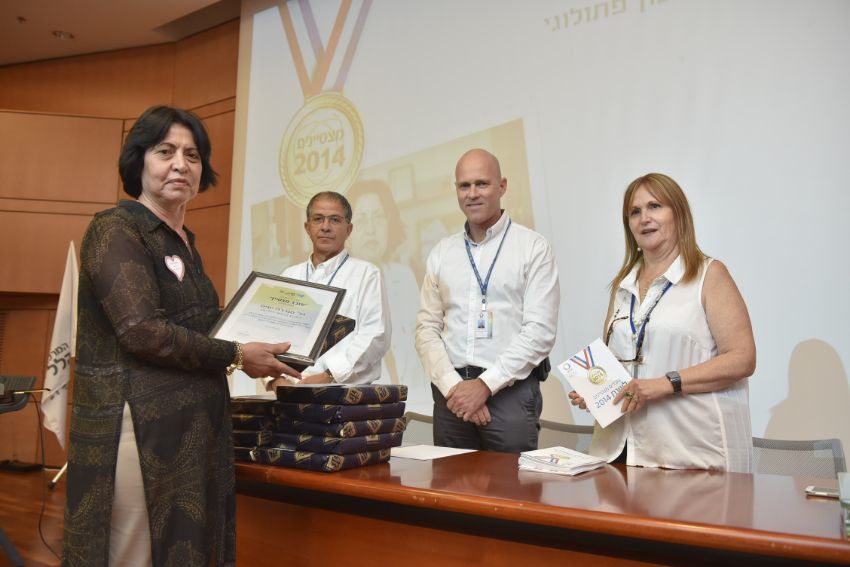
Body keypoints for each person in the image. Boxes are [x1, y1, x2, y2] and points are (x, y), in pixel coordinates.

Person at [64, 105, 299, 566]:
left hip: (189, 431)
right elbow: (142, 332)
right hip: (137, 427)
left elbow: (201, 324)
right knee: (136, 553)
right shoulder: (116, 229)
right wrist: (237, 353)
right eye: (165, 151)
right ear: (139, 161)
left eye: (192, 155)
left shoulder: (184, 241)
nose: (180, 164)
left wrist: (284, 336)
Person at [569, 173, 756, 472]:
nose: (644, 218)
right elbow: (612, 362)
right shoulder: (622, 285)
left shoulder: (710, 275)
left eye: (655, 206)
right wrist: (595, 392)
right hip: (618, 451)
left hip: (689, 455)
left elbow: (742, 359)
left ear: (678, 214)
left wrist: (665, 384)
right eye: (635, 211)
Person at [415, 149, 560, 452]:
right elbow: (426, 329)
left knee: (510, 481)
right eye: (464, 186)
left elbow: (540, 332)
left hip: (510, 393)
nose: (472, 194)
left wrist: (484, 386)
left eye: (481, 183)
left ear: (502, 186)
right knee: (450, 481)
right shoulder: (442, 252)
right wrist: (454, 386)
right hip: (451, 396)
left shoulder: (532, 247)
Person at [265, 191, 391, 388]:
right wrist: (275, 380)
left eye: (335, 220)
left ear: (349, 229)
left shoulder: (366, 274)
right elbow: (270, 333)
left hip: (341, 391)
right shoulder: (289, 275)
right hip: (288, 391)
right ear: (307, 227)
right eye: (318, 219)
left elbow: (375, 336)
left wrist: (329, 376)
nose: (325, 227)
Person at [347, 180, 431, 401]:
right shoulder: (337, 288)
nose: (371, 229)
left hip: (416, 402)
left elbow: (423, 344)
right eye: (362, 219)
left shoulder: (404, 276)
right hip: (364, 409)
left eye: (378, 217)